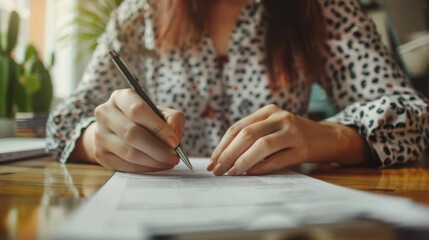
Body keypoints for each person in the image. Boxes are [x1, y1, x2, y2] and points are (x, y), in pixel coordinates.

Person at [47, 0, 429, 176]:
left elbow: (414, 115)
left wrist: (331, 137)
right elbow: (64, 121)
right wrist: (98, 139)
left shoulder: (322, 8)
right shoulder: (140, 15)